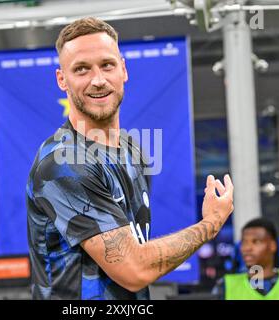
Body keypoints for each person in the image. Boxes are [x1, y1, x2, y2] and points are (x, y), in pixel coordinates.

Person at [26, 17, 234, 300]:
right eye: (81, 69)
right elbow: (134, 270)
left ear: (123, 69)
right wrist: (208, 226)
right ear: (62, 79)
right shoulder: (65, 163)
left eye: (107, 65)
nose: (97, 80)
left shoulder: (131, 149)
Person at [212, 218, 279, 300]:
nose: (247, 248)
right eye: (244, 242)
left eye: (256, 241)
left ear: (272, 245)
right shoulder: (225, 287)